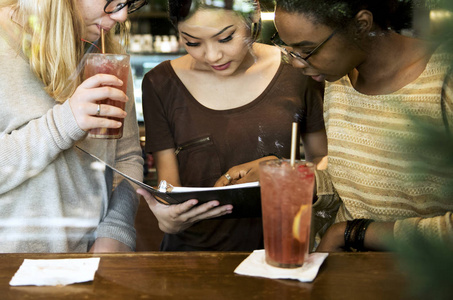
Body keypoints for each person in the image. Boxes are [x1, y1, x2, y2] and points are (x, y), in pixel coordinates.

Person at [138, 0, 327, 251]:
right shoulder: (160, 83)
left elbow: (325, 162)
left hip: (280, 250)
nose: (213, 56)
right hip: (192, 258)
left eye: (226, 38)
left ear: (254, 15)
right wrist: (167, 216)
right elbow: (169, 186)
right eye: (192, 42)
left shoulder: (296, 70)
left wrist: (280, 170)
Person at [273, 0, 453, 252]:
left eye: (308, 50)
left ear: (361, 25)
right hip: (348, 273)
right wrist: (296, 181)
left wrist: (353, 234)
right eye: (289, 49)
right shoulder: (339, 79)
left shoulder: (443, 78)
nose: (297, 63)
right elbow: (357, 190)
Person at [0, 0, 148, 253]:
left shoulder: (107, 55)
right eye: (113, 1)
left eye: (129, 3)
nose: (122, 16)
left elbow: (126, 156)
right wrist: (66, 122)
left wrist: (117, 229)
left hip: (89, 261)